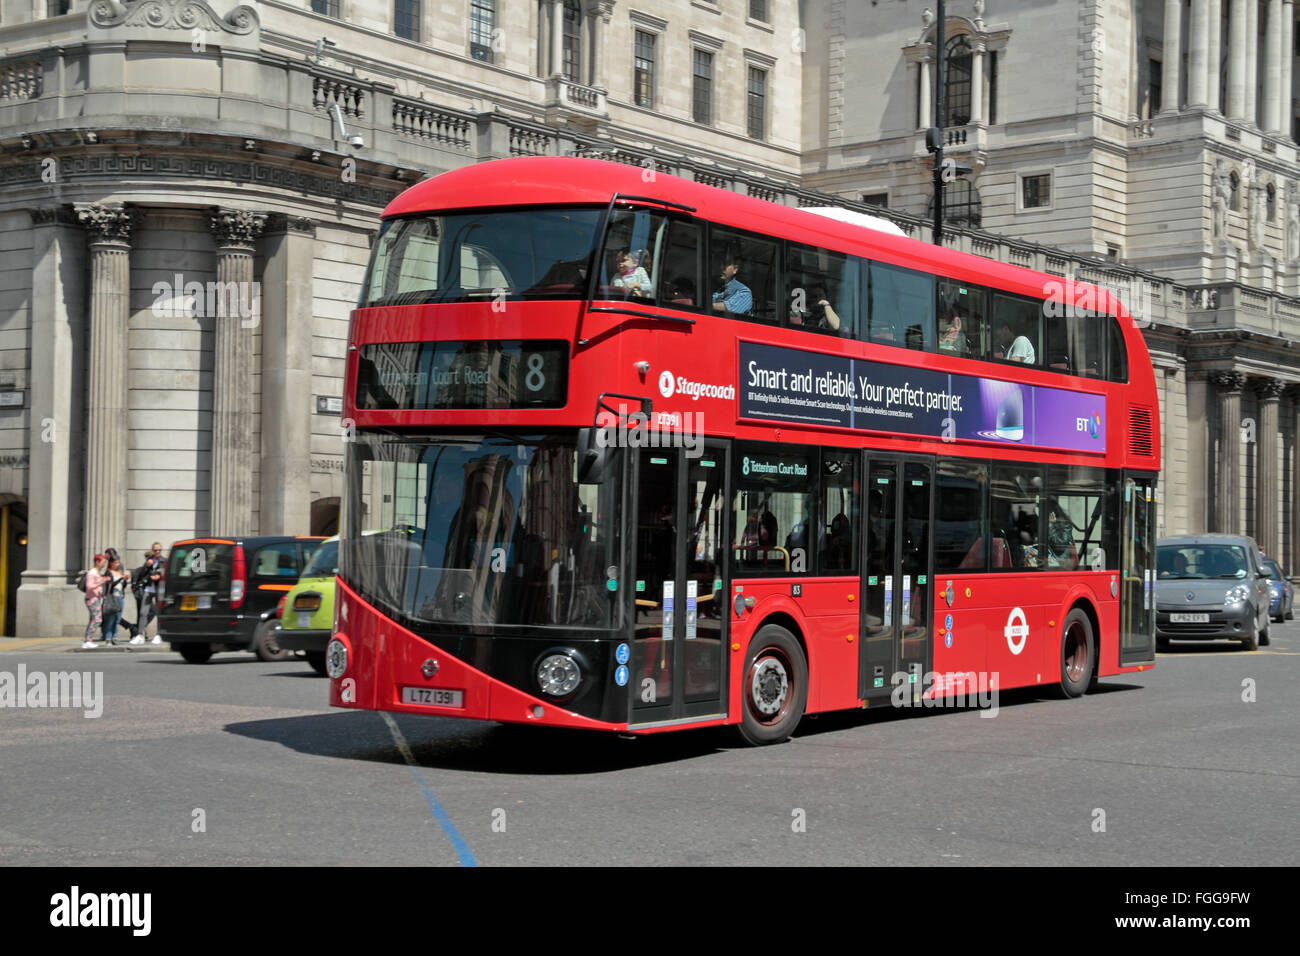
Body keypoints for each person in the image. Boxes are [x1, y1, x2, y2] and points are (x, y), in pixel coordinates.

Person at [130, 542, 165, 644]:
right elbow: (142, 574)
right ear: (152, 551)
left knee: (159, 613)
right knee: (143, 612)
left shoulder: (164, 561)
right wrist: (147, 566)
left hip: (159, 589)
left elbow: (166, 572)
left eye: (159, 550)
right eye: (155, 550)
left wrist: (159, 575)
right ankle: (140, 635)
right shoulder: (149, 560)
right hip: (148, 588)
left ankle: (159, 634)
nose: (157, 552)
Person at [101, 554, 131, 646]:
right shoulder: (108, 572)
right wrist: (121, 578)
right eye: (115, 562)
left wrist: (125, 580)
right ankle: (108, 637)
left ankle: (115, 637)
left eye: (118, 562)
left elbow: (123, 586)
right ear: (111, 563)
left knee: (118, 619)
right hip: (112, 597)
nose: (117, 564)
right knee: (110, 619)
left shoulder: (120, 572)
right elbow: (111, 584)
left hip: (120, 597)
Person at [82, 554, 108, 649]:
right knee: (97, 619)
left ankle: (88, 640)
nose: (104, 564)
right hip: (92, 598)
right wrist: (100, 582)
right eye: (103, 562)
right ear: (97, 562)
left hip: (95, 598)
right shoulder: (92, 573)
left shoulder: (97, 572)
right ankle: (88, 640)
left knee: (93, 619)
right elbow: (89, 587)